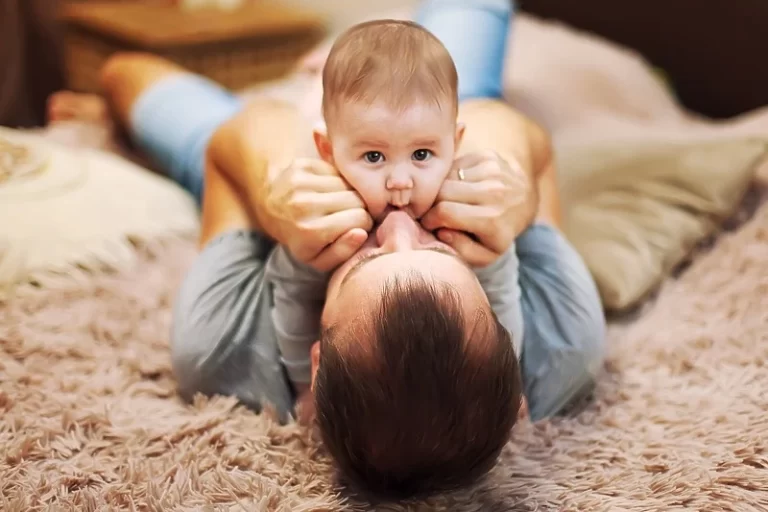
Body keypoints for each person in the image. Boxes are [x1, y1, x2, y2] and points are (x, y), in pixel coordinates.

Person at [48, 0, 606, 500]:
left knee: (123, 73)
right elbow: (509, 130)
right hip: (425, 138)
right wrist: (515, 185)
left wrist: (274, 192)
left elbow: (236, 145)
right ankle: (365, 79)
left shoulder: (223, 346)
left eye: (366, 259)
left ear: (317, 358)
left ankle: (320, 84)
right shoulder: (562, 344)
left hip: (278, 145)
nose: (400, 224)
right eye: (443, 253)